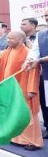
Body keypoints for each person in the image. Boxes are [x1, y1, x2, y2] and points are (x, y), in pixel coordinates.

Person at [26, 8, 48, 139]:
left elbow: (38, 58)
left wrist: (38, 60)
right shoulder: (41, 35)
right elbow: (34, 52)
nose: (47, 18)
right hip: (46, 76)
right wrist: (29, 60)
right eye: (46, 15)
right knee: (47, 104)